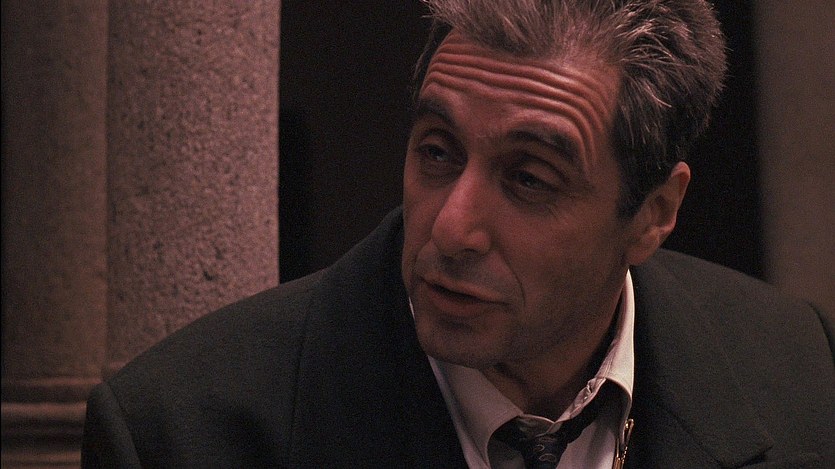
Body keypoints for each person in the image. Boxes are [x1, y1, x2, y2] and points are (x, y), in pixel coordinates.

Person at [81, 0, 835, 467]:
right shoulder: (181, 432)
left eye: (528, 178)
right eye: (438, 152)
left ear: (653, 214)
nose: (451, 228)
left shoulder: (801, 370)